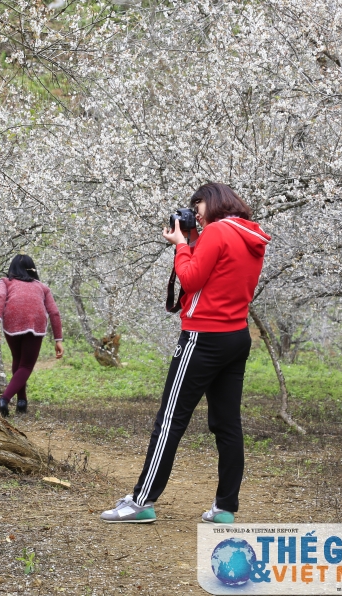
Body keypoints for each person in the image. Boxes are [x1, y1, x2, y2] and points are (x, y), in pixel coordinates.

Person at [101, 183, 270, 525]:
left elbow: (191, 279)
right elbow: (218, 277)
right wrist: (193, 242)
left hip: (202, 337)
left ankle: (141, 502)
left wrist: (181, 246)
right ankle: (225, 508)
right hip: (236, 336)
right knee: (227, 424)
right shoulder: (251, 235)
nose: (195, 213)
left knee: (170, 420)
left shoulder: (217, 232)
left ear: (215, 203)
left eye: (199, 205)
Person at [0, 255, 64, 416]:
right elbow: (54, 313)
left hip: (12, 320)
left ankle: (22, 401)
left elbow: (0, 297)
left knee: (18, 360)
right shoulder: (42, 287)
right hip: (35, 322)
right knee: (25, 365)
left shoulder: (5, 282)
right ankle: (5, 399)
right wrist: (58, 339)